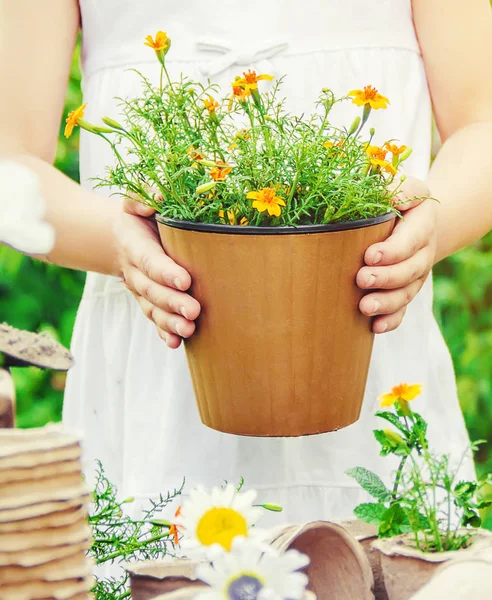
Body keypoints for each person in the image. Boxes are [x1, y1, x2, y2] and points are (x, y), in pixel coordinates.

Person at [1, 0, 491, 522]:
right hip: (157, 367)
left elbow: (481, 125)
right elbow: (10, 164)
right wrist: (120, 243)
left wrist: (427, 228)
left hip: (372, 342)